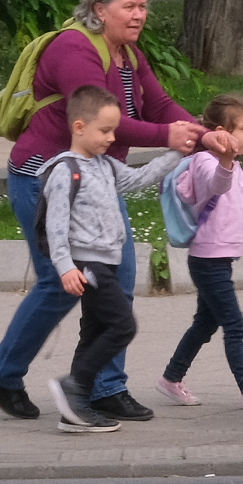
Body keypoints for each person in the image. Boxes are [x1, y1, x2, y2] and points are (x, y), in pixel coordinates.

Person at [0, 0, 232, 424]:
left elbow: (157, 105)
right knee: (61, 281)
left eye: (143, 6)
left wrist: (199, 133)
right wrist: (170, 137)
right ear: (99, 9)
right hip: (46, 180)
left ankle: (101, 386)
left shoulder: (127, 53)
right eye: (129, 7)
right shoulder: (74, 48)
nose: (139, 15)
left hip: (96, 178)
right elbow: (106, 124)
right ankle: (3, 373)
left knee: (118, 272)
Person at [39, 86, 186, 432]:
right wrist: (65, 267)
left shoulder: (104, 165)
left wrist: (176, 153)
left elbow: (137, 179)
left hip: (105, 261)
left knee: (94, 331)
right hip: (86, 265)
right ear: (78, 127)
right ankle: (72, 387)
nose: (112, 137)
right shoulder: (66, 171)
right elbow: (55, 225)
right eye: (104, 130)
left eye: (114, 130)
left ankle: (75, 409)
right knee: (123, 324)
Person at [158, 93, 243, 409]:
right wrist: (225, 160)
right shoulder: (204, 162)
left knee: (205, 323)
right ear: (221, 132)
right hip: (207, 260)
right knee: (234, 323)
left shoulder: (234, 167)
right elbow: (216, 185)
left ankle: (171, 378)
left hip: (220, 259)